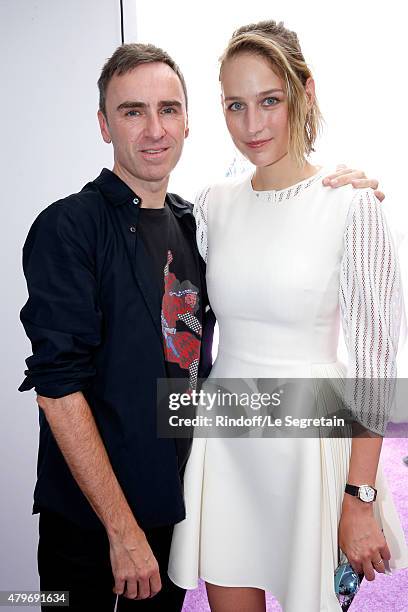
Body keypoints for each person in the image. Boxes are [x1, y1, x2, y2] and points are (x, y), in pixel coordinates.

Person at [19, 40, 382, 612]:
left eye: (168, 109)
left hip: (178, 500)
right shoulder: (68, 227)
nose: (154, 130)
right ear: (103, 124)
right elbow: (57, 388)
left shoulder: (198, 221)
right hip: (92, 525)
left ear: (188, 121)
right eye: (131, 111)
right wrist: (121, 530)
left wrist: (346, 194)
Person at [168, 20, 408, 612]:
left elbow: (375, 371)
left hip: (311, 452)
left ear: (305, 91)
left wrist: (359, 497)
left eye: (270, 100)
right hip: (228, 443)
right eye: (235, 105)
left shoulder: (353, 207)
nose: (253, 125)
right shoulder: (211, 206)